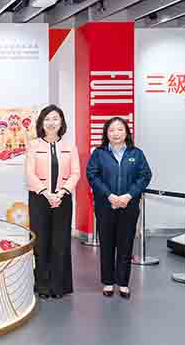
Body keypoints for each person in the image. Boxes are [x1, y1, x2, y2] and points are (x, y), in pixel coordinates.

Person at [86, 117, 152, 300]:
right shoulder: (99, 154)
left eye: (120, 129)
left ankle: (123, 283)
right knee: (107, 244)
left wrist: (128, 196)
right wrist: (110, 196)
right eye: (112, 130)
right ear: (106, 133)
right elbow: (92, 175)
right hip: (105, 205)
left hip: (129, 206)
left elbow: (145, 176)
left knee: (125, 244)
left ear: (126, 132)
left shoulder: (136, 154)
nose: (116, 133)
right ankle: (108, 282)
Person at [25, 105, 80, 300]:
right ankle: (42, 285)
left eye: (55, 118)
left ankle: (59, 286)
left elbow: (75, 173)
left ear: (61, 122)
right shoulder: (33, 145)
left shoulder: (70, 146)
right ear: (41, 122)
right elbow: (30, 173)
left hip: (63, 199)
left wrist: (62, 192)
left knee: (60, 242)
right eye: (47, 119)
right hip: (39, 198)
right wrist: (46, 193)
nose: (51, 122)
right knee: (41, 242)